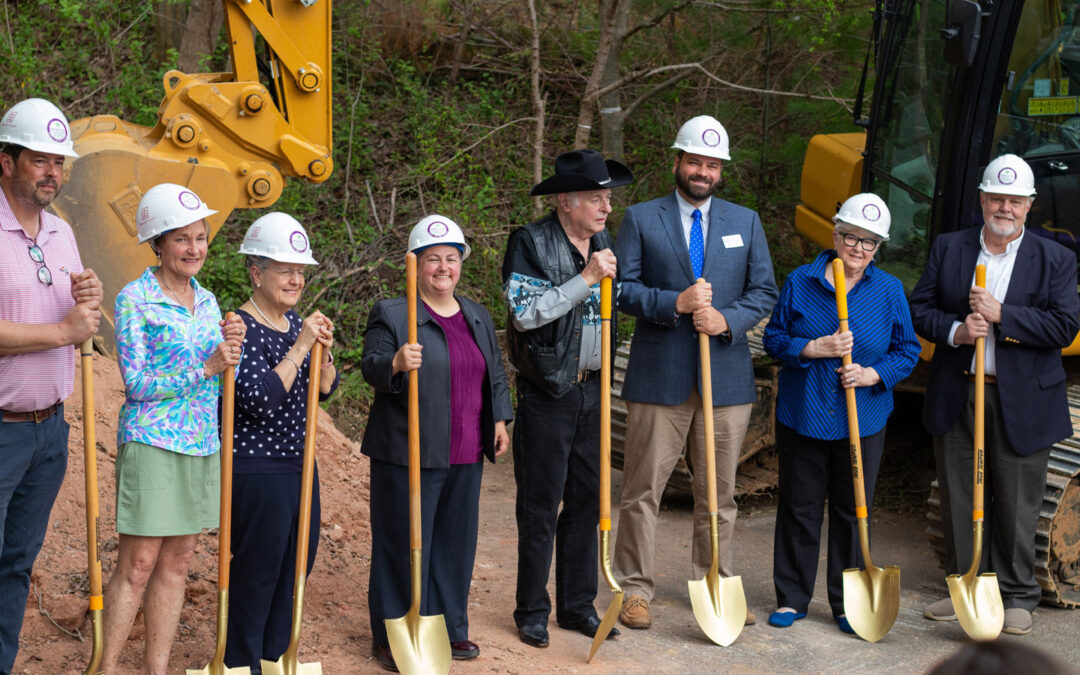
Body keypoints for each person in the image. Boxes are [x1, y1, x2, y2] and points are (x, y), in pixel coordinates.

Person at [613, 115, 777, 629]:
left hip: (725, 380)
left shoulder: (744, 222)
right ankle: (635, 589)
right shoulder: (642, 218)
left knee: (718, 495)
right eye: (694, 161)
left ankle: (716, 583)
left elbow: (764, 292)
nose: (703, 171)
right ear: (677, 161)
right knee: (642, 491)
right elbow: (621, 292)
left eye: (712, 164)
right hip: (659, 378)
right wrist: (675, 303)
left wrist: (727, 319)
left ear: (720, 171)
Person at [909, 153, 1080, 636]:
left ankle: (1018, 593)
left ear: (1029, 206)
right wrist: (958, 331)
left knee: (1016, 498)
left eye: (1014, 200)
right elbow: (920, 308)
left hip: (1021, 398)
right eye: (996, 198)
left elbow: (1066, 326)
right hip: (958, 389)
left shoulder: (1057, 259)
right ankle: (965, 584)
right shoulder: (950, 247)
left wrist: (1003, 315)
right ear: (982, 200)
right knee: (960, 494)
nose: (1004, 207)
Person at [101, 183, 246, 672]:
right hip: (153, 442)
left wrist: (231, 353)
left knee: (178, 564)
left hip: (202, 444)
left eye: (200, 237)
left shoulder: (207, 302)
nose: (194, 249)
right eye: (181, 239)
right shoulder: (134, 300)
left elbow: (221, 378)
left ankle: (156, 670)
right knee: (137, 565)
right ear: (157, 243)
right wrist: (205, 367)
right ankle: (105, 668)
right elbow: (137, 383)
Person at [762, 193, 920, 633]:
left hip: (863, 420)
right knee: (800, 507)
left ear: (878, 248)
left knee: (854, 511)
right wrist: (811, 348)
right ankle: (792, 598)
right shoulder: (800, 281)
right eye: (851, 236)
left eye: (869, 242)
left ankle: (846, 603)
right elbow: (773, 340)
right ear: (835, 234)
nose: (858, 248)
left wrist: (873, 374)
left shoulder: (888, 290)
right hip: (804, 415)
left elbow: (908, 351)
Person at [362, 215, 512, 671]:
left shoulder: (475, 314)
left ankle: (449, 627)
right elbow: (370, 365)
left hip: (466, 448)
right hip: (408, 451)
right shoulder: (394, 313)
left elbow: (495, 370)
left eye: (451, 258)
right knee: (402, 541)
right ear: (415, 265)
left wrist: (501, 419)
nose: (443, 268)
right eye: (433, 260)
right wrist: (395, 361)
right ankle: (394, 632)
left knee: (454, 544)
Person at [502, 149, 631, 648]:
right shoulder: (530, 242)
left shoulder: (602, 241)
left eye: (607, 199)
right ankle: (532, 607)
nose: (606, 209)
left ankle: (578, 605)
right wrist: (586, 279)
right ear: (563, 201)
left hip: (594, 391)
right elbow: (526, 315)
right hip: (547, 391)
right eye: (596, 199)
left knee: (586, 500)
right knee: (540, 504)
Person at [0, 98, 103, 672]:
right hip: (1, 427)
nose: (52, 173)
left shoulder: (63, 233)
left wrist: (86, 300)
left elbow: (77, 313)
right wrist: (62, 328)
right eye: (39, 160)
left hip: (49, 432)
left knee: (15, 563)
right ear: (6, 161)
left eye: (59, 163)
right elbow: (59, 328)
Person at [223, 213, 339, 672]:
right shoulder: (239, 326)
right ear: (256, 273)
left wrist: (323, 353)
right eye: (284, 269)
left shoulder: (296, 325)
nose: (295, 279)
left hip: (298, 464)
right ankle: (240, 661)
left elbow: (324, 388)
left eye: (300, 271)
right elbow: (259, 400)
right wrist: (300, 348)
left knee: (297, 568)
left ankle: (273, 658)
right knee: (257, 573)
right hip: (257, 467)